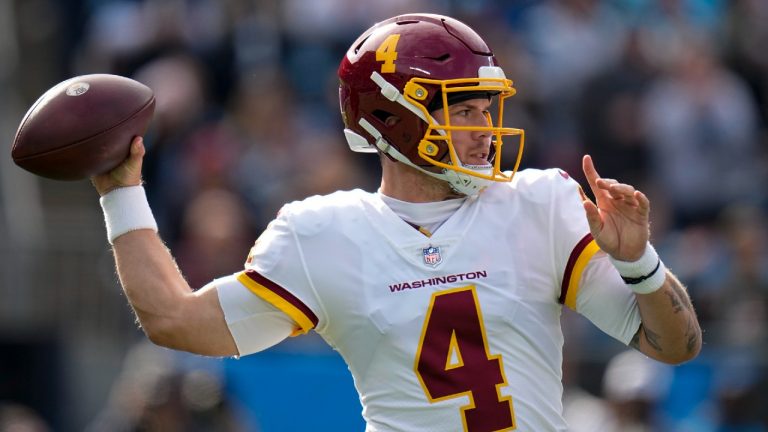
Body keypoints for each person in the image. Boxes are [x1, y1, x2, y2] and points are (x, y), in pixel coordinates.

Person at [92, 13, 702, 432]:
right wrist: (122, 193)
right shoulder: (322, 234)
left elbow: (676, 346)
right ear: (395, 119)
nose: (485, 130)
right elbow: (174, 320)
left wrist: (639, 264)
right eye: (464, 111)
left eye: (486, 109)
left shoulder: (540, 203)